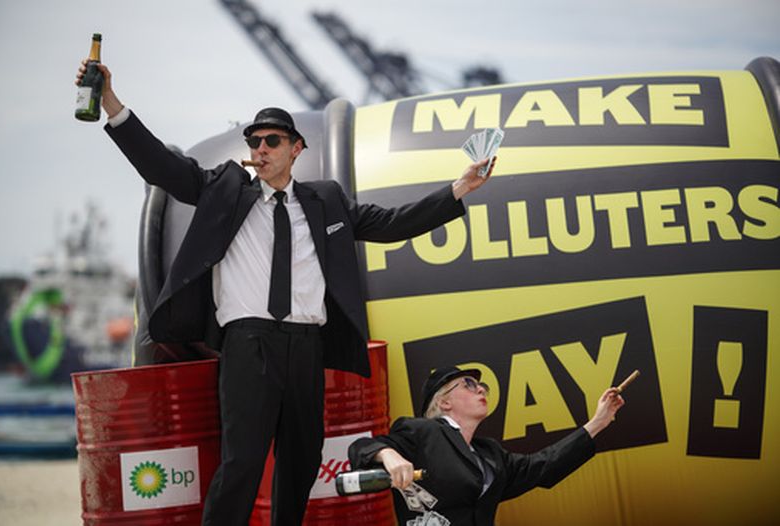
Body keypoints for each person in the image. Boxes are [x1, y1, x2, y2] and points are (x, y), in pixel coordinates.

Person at [75, 60, 494, 526]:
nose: (260, 148)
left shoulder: (325, 199)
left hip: (306, 344)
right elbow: (160, 164)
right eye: (254, 140)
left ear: (296, 148)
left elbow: (393, 223)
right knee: (243, 461)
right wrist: (110, 101)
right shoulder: (225, 188)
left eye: (272, 140)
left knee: (300, 461)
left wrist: (459, 188)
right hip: (248, 342)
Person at [348, 366, 625, 525]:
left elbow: (543, 465)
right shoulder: (422, 431)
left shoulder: (489, 454)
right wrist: (389, 455)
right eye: (468, 384)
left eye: (482, 386)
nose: (481, 389)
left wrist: (598, 422)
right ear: (444, 402)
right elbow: (362, 447)